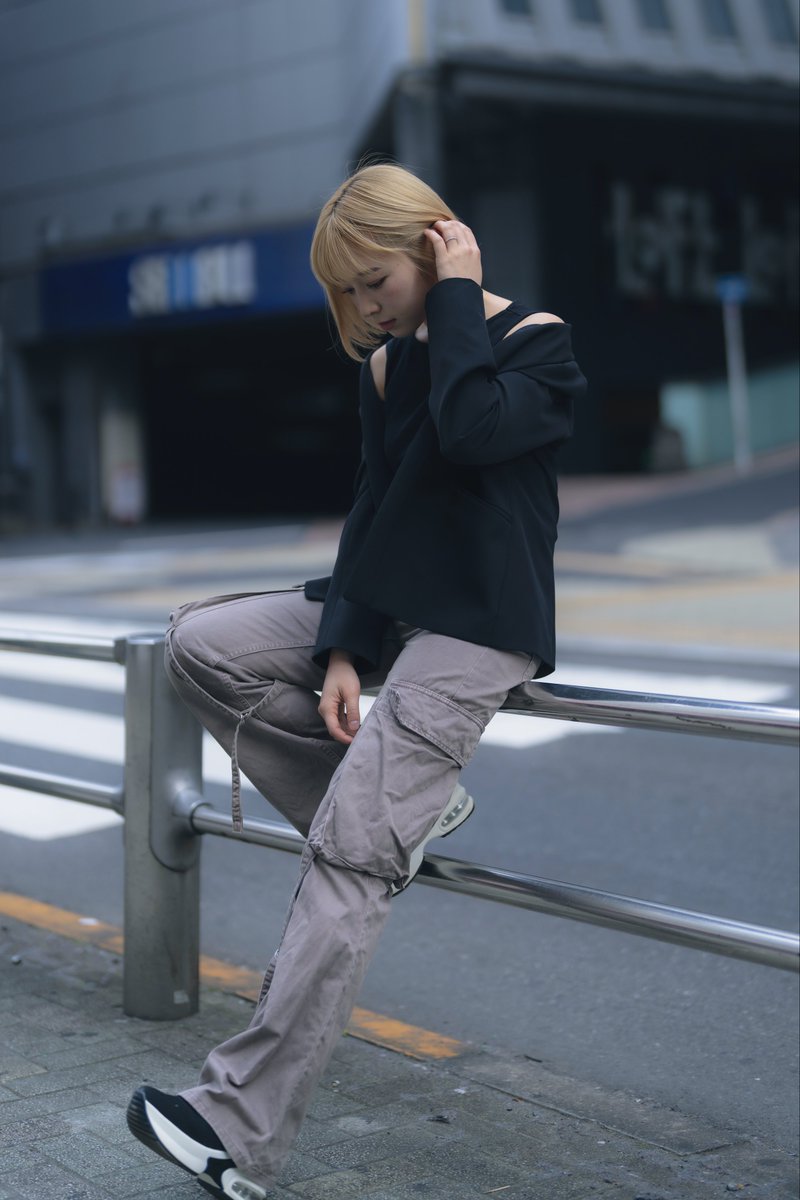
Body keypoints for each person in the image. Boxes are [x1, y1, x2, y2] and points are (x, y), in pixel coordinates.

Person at [126, 161, 586, 1198]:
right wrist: (341, 646)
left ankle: (233, 1131)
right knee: (200, 640)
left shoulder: (534, 343)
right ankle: (391, 815)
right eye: (343, 291)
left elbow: (472, 436)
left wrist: (457, 298)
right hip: (395, 608)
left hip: (480, 627)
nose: (359, 306)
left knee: (346, 862)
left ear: (433, 241)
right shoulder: (383, 370)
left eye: (370, 278)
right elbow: (376, 516)